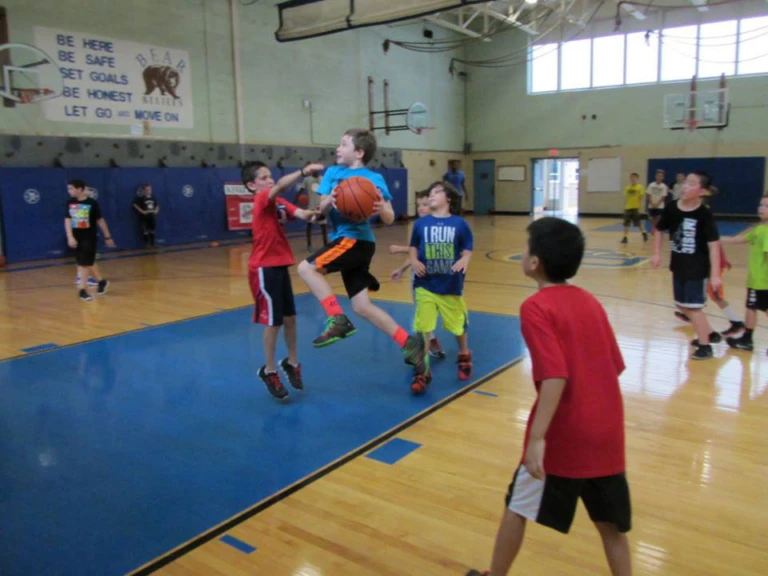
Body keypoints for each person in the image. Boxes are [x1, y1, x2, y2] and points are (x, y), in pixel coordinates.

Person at [466, 217, 631, 576]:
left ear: (535, 263)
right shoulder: (590, 301)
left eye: (526, 248)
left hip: (564, 434)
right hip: (607, 431)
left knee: (518, 506)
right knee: (611, 527)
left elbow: (555, 374)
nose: (523, 254)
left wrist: (538, 437)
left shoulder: (536, 307)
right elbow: (614, 366)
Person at [297, 128, 427, 373]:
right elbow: (321, 212)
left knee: (306, 268)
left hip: (355, 240)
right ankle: (410, 344)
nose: (337, 148)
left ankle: (337, 319)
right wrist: (330, 200)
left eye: (343, 144)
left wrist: (381, 209)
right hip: (348, 241)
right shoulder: (333, 173)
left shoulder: (374, 179)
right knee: (361, 306)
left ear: (358, 152)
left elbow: (388, 217)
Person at [243, 160, 324, 399]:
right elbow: (279, 185)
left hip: (279, 266)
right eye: (263, 177)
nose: (269, 180)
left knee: (290, 319)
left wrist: (319, 211)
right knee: (274, 322)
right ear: (251, 185)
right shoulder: (261, 199)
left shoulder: (279, 202)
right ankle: (268, 370)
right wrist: (303, 171)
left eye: (270, 176)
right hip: (262, 269)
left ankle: (292, 363)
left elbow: (303, 215)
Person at [408, 181, 473, 394]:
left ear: (449, 199)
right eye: (430, 192)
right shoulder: (421, 224)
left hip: (450, 285)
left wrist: (465, 260)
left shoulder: (460, 224)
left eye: (437, 192)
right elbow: (413, 247)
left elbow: (467, 249)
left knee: (457, 326)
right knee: (424, 328)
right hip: (425, 284)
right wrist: (415, 261)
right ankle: (422, 370)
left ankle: (464, 354)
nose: (431, 195)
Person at [650, 171, 722, 360]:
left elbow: (714, 246)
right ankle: (710, 333)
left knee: (694, 308)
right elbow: (658, 229)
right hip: (678, 266)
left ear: (702, 192)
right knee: (682, 305)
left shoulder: (704, 215)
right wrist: (656, 253)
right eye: (685, 183)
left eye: (691, 184)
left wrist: (715, 275)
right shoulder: (673, 208)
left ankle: (705, 346)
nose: (685, 186)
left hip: (697, 269)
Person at [390, 189, 445, 359]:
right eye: (418, 205)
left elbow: (423, 249)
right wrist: (402, 269)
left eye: (425, 205)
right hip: (417, 274)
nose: (420, 208)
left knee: (423, 312)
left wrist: (400, 248)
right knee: (421, 310)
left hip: (430, 275)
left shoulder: (435, 225)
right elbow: (415, 255)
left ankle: (425, 346)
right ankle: (431, 342)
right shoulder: (420, 225)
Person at [722, 195, 768, 353]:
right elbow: (741, 240)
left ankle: (747, 339)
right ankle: (747, 339)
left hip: (762, 281)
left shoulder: (766, 232)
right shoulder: (760, 229)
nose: (761, 208)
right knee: (751, 307)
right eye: (761, 204)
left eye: (766, 206)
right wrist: (716, 239)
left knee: (752, 307)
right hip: (756, 280)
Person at [65, 179, 115, 301]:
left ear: (79, 189)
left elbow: (100, 220)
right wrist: (70, 236)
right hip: (77, 237)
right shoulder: (70, 202)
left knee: (85, 264)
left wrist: (107, 236)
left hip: (89, 237)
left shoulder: (92, 203)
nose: (69, 191)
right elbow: (68, 219)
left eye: (71, 188)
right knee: (85, 262)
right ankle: (101, 282)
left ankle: (82, 290)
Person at [298, 164, 328, 252]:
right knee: (309, 226)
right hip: (311, 207)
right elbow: (301, 190)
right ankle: (309, 245)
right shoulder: (307, 179)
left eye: (317, 170)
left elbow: (327, 191)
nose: (316, 171)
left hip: (321, 207)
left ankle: (325, 245)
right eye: (314, 170)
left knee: (323, 226)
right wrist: (296, 200)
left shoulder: (323, 179)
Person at [621, 173, 647, 244]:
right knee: (626, 223)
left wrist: (639, 206)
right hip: (628, 207)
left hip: (635, 208)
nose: (632, 179)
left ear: (637, 178)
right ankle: (625, 237)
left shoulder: (639, 187)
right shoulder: (627, 188)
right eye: (631, 177)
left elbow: (641, 197)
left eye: (634, 177)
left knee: (638, 223)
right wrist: (625, 206)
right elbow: (626, 198)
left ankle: (644, 233)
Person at [132, 184, 160, 248]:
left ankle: (153, 243)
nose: (148, 191)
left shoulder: (153, 198)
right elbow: (134, 204)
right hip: (145, 217)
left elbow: (157, 205)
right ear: (144, 190)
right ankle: (147, 244)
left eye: (150, 189)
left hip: (152, 216)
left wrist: (156, 210)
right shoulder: (141, 198)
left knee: (152, 229)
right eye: (147, 190)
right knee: (145, 230)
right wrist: (142, 211)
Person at [646, 169, 668, 235]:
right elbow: (648, 194)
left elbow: (663, 196)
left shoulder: (664, 186)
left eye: (661, 176)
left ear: (663, 177)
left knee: (659, 217)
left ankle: (657, 229)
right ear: (655, 176)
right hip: (652, 205)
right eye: (658, 176)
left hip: (660, 205)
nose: (659, 177)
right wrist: (652, 203)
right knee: (652, 218)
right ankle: (653, 228)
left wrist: (658, 204)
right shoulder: (651, 185)